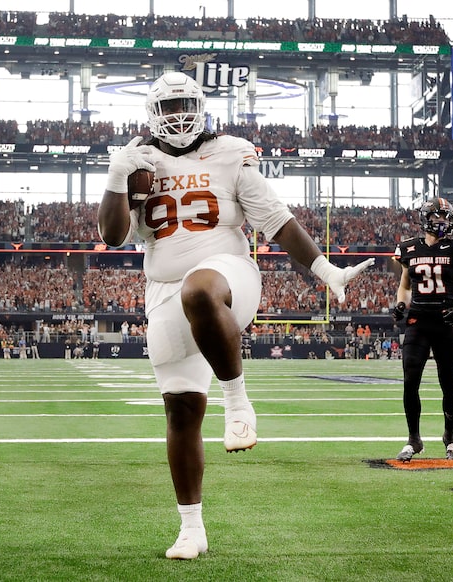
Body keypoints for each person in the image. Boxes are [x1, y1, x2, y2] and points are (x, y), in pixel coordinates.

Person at [97, 71, 374, 560]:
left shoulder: (231, 152)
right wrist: (117, 179)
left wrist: (325, 270)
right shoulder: (137, 160)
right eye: (169, 105)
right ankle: (191, 528)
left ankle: (238, 399)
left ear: (202, 105)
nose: (179, 114)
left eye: (186, 102)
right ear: (151, 113)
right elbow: (114, 236)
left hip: (229, 275)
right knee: (181, 410)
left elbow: (276, 220)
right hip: (161, 290)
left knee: (200, 289)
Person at [391, 198, 453, 462]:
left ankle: (450, 437)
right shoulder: (409, 248)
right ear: (426, 219)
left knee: (449, 385)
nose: (442, 222)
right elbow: (405, 286)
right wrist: (399, 304)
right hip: (418, 321)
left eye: (446, 217)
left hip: (446, 322)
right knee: (410, 382)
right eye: (437, 217)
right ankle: (413, 439)